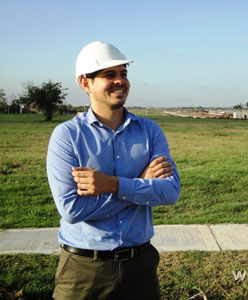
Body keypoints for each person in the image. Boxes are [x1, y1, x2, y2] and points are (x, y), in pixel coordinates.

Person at [47, 41, 180, 299]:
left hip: (140, 266)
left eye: (124, 74)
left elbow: (170, 192)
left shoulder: (150, 131)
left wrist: (113, 184)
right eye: (110, 74)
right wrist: (140, 184)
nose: (120, 81)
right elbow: (72, 210)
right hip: (84, 270)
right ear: (86, 83)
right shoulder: (67, 136)